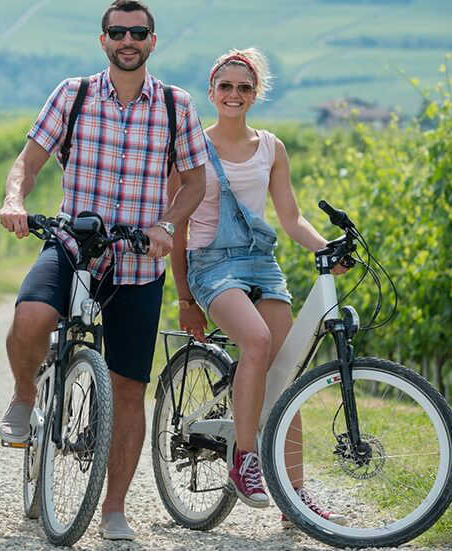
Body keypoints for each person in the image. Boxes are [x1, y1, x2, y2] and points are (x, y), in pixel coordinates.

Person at [0, 0, 207, 541]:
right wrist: (15, 199)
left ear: (152, 41)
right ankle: (25, 396)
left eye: (138, 32)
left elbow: (196, 184)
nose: (128, 40)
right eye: (118, 32)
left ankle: (113, 507)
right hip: (73, 245)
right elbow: (29, 160)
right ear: (103, 40)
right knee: (31, 316)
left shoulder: (176, 106)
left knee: (129, 390)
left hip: (137, 263)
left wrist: (166, 224)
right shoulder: (75, 94)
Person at [169, 47, 348, 526]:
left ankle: (295, 498)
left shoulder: (272, 147)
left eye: (244, 88)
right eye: (225, 87)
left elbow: (290, 218)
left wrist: (323, 248)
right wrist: (185, 299)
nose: (234, 94)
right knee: (257, 341)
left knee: (286, 373)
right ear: (211, 92)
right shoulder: (190, 147)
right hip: (212, 266)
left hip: (261, 264)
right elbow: (178, 232)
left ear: (256, 95)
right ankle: (244, 460)